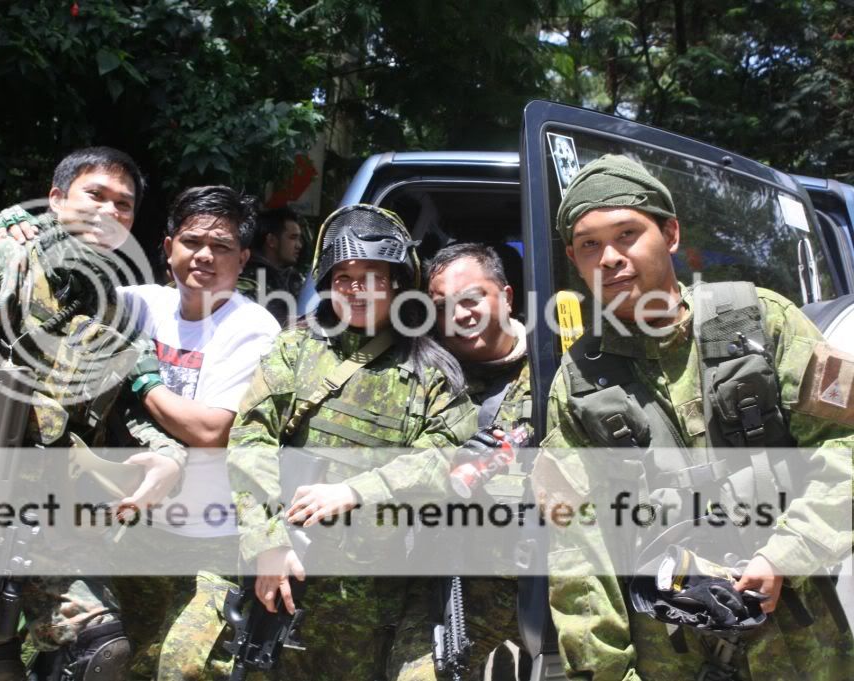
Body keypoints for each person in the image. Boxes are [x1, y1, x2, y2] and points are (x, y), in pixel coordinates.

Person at [533, 154, 854, 680]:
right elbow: (578, 549)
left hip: (798, 643)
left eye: (628, 233)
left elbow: (845, 444)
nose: (610, 257)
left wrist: (786, 555)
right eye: (590, 244)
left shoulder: (761, 320)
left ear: (671, 233)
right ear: (574, 257)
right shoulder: (578, 382)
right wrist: (606, 672)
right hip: (670, 653)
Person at [0, 147, 187, 680]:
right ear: (56, 198)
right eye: (96, 195)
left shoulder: (113, 306)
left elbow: (131, 402)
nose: (110, 212)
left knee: (99, 649)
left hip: (48, 502)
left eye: (125, 204)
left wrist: (168, 457)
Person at [226, 204, 478, 680]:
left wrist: (355, 492)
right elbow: (249, 439)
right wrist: (267, 543)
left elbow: (443, 459)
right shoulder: (296, 347)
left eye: (373, 277)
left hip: (370, 600)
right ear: (327, 282)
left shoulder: (431, 372)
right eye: (344, 277)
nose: (358, 290)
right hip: (280, 578)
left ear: (399, 284)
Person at [112, 186, 281, 680]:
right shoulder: (143, 304)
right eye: (191, 241)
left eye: (222, 246)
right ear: (168, 249)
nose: (204, 255)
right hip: (139, 529)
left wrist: (142, 378)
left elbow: (211, 429)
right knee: (126, 658)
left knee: (187, 667)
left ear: (244, 258)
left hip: (213, 537)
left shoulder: (254, 328)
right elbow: (73, 295)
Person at [389, 242, 533, 681]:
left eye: (472, 299)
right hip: (445, 578)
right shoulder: (419, 377)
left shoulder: (556, 370)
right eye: (444, 306)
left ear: (506, 297)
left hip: (537, 576)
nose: (460, 315)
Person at [235, 206, 305, 325]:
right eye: (293, 238)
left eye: (299, 239)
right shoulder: (247, 280)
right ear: (271, 240)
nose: (299, 245)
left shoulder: (291, 278)